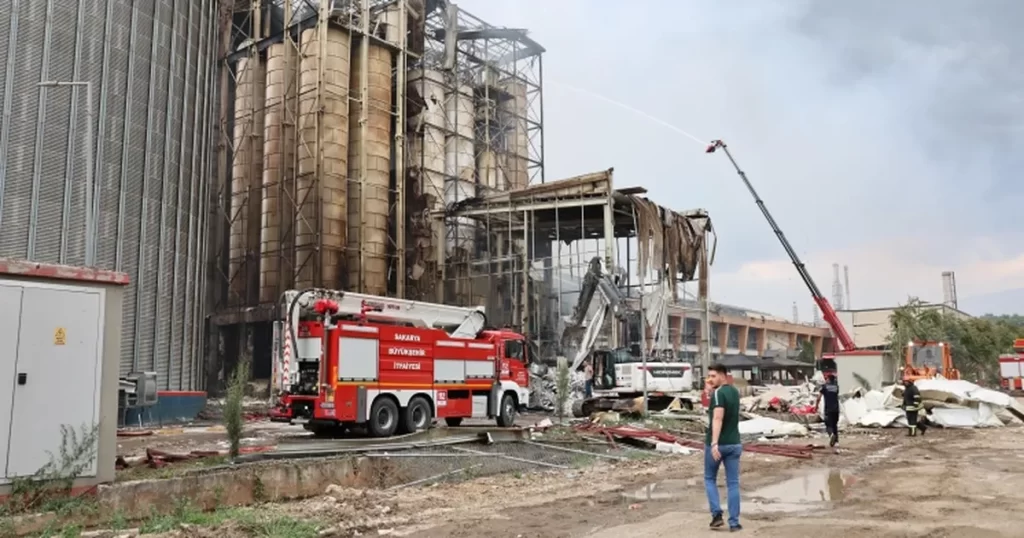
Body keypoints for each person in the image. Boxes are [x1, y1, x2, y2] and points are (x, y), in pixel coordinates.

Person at [704, 363, 743, 532]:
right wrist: (710, 392)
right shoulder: (734, 391)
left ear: (722, 375)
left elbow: (718, 418)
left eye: (713, 376)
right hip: (735, 443)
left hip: (719, 444)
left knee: (709, 478)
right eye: (709, 376)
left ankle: (717, 515)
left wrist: (714, 443)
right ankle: (734, 523)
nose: (710, 379)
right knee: (733, 483)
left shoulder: (719, 393)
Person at [815, 373, 841, 447]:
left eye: (826, 379)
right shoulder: (836, 387)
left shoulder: (824, 387)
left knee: (828, 425)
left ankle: (831, 434)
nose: (826, 380)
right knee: (835, 425)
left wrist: (816, 406)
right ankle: (836, 442)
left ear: (828, 379)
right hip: (836, 409)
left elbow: (818, 398)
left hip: (828, 409)